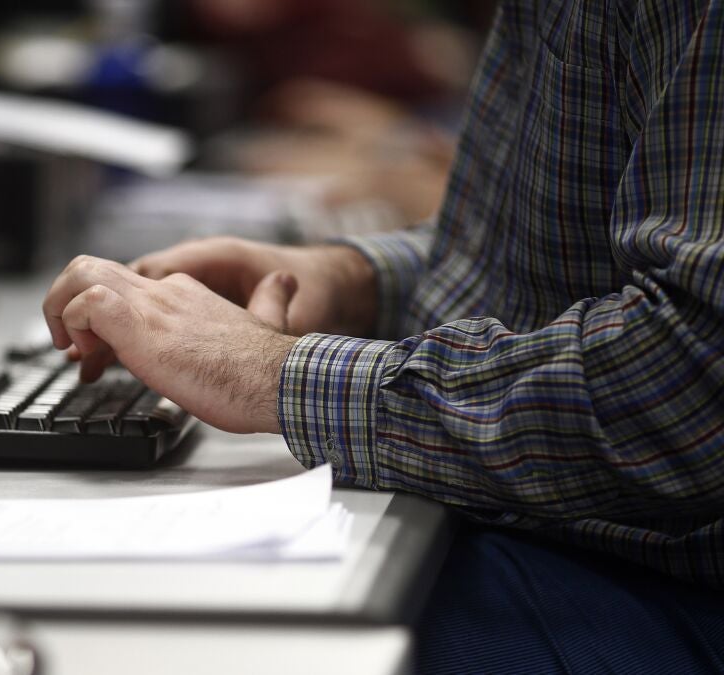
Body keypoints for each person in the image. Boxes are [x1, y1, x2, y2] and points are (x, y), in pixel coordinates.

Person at [43, 0, 724, 670]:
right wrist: (351, 280)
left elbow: (690, 386)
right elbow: (537, 265)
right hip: (597, 548)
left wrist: (270, 371)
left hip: (674, 594)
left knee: (199, 636)